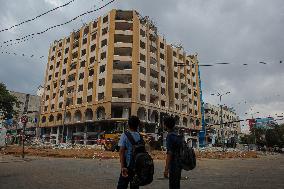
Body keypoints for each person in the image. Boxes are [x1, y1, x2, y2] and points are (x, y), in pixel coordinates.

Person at [117, 116, 141, 189]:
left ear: (128, 124)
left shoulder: (124, 135)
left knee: (121, 186)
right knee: (134, 186)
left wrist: (122, 167)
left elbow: (121, 151)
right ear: (137, 125)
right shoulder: (139, 136)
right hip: (136, 166)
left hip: (127, 166)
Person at [163, 116, 182, 189]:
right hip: (179, 164)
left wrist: (166, 169)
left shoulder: (170, 136)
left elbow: (169, 153)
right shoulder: (176, 135)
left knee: (173, 185)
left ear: (166, 125)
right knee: (177, 185)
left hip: (173, 165)